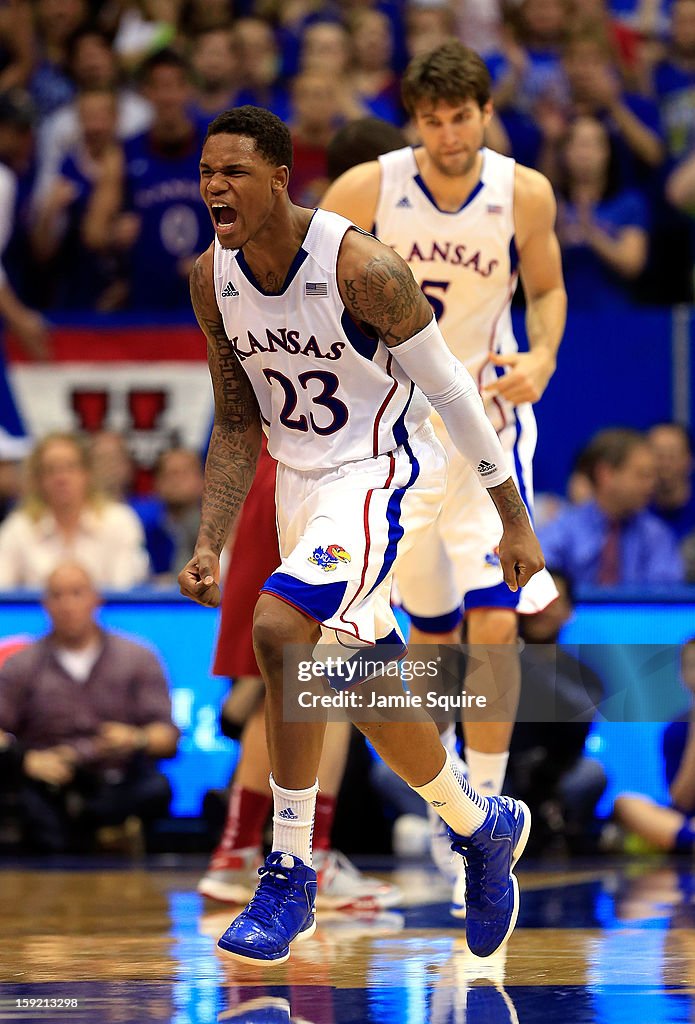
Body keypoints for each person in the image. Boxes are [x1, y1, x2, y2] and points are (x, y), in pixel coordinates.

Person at [179, 104, 544, 964]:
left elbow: (454, 393)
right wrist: (210, 537)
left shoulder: (358, 265)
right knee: (369, 689)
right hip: (301, 488)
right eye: (204, 173)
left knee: (281, 627)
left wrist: (513, 519)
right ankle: (480, 826)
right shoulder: (211, 278)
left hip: (385, 472)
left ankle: (289, 871)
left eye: (231, 172)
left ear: (278, 178)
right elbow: (237, 420)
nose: (213, 188)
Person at [321, 40, 565, 914]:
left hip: (489, 427)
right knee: (425, 638)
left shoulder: (522, 191)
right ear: (415, 122)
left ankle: (488, 814)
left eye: (462, 116)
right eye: (433, 119)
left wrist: (542, 355)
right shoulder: (368, 188)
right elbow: (317, 281)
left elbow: (546, 291)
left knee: (494, 622)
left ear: (485, 114)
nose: (449, 132)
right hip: (398, 435)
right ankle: (457, 806)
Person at [0, 562, 179, 852]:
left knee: (157, 789)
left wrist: (136, 739)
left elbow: (167, 736)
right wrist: (26, 761)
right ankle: (99, 837)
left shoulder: (137, 657)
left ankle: (96, 830)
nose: (67, 605)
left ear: (96, 599)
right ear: (45, 604)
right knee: (23, 798)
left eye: (76, 593)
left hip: (114, 778)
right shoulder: (22, 665)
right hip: (48, 779)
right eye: (57, 595)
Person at [0, 432, 150, 588]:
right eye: (51, 470)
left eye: (70, 467)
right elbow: (3, 593)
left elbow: (125, 593)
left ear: (87, 473)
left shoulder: (119, 521)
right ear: (38, 480)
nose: (61, 478)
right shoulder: (17, 528)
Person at [538, 427, 685, 586]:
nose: (651, 485)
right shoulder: (563, 531)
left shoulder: (657, 537)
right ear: (606, 474)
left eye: (652, 476)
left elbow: (667, 599)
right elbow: (537, 580)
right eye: (642, 475)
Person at [614, 638, 695, 853]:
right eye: (692, 665)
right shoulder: (676, 729)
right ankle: (688, 840)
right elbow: (682, 800)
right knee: (626, 803)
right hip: (686, 821)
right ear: (682, 675)